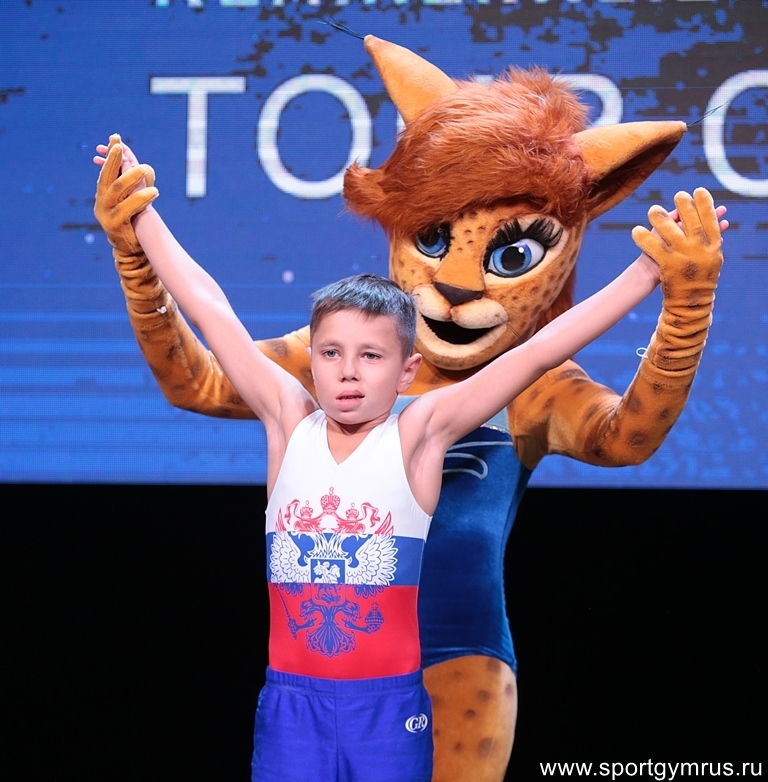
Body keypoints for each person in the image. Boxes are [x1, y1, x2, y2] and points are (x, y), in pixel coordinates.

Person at [93, 138, 724, 782]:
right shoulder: (288, 419)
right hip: (291, 704)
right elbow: (209, 305)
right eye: (331, 354)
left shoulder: (420, 433)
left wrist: (649, 273)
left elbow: (537, 352)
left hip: (391, 708)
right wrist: (137, 223)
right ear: (313, 361)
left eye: (370, 356)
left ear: (405, 371)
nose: (347, 372)